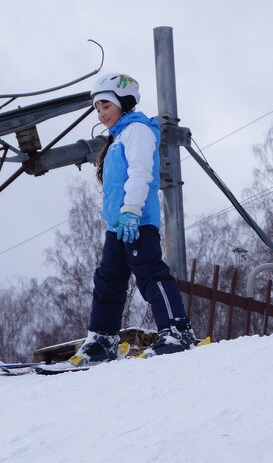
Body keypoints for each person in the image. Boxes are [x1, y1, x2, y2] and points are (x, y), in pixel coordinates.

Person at [69, 73, 198, 364]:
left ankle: (177, 330)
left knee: (150, 272)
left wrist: (131, 211)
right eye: (98, 109)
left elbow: (141, 173)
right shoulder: (118, 138)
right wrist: (118, 218)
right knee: (108, 280)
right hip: (117, 226)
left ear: (123, 103)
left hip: (137, 220)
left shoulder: (138, 131)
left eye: (106, 106)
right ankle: (102, 339)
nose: (101, 114)